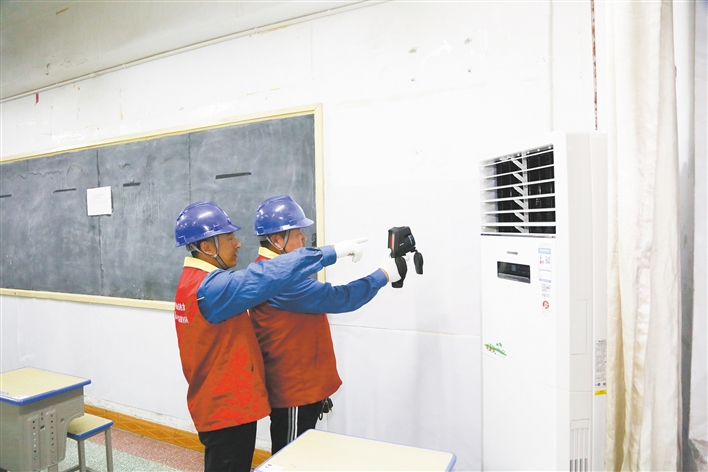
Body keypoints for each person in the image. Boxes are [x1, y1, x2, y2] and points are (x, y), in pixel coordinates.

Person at [172, 200, 371, 472]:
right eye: (229, 238)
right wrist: (330, 252)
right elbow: (267, 275)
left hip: (225, 404)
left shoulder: (194, 281)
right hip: (227, 408)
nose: (238, 244)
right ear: (207, 247)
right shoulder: (211, 289)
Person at [248, 195, 407, 454]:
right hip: (294, 391)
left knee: (301, 454)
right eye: (299, 234)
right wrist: (384, 274)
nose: (304, 239)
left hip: (303, 387)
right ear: (277, 240)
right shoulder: (279, 279)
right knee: (289, 457)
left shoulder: (273, 270)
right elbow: (339, 298)